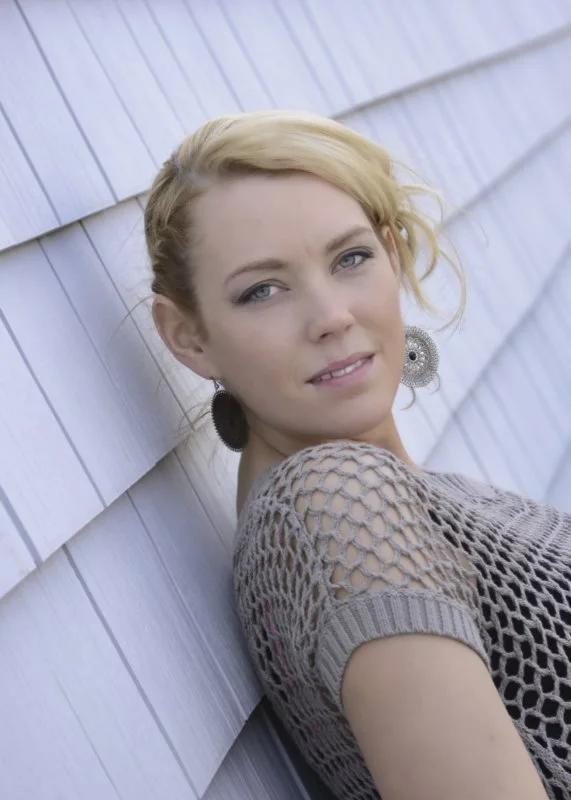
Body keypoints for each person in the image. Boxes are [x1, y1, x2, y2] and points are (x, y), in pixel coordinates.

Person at [145, 109, 570, 800]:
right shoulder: (335, 500)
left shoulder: (395, 491)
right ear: (188, 336)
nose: (331, 316)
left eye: (349, 258)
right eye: (262, 290)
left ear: (390, 252)